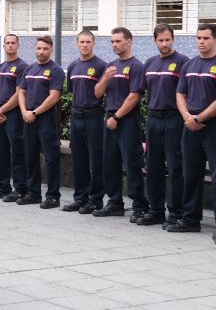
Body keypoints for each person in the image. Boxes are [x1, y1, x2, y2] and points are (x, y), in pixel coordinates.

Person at [174, 24, 216, 234]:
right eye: (198, 38)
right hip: (190, 125)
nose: (201, 42)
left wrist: (200, 118)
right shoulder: (189, 65)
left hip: (214, 126)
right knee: (190, 173)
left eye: (206, 38)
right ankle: (190, 219)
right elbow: (181, 94)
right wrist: (187, 116)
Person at [141, 25, 187, 228]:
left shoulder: (183, 62)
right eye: (161, 40)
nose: (164, 44)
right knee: (153, 167)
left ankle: (176, 212)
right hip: (153, 118)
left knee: (175, 167)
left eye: (168, 40)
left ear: (173, 39)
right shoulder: (149, 63)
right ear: (155, 41)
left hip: (174, 119)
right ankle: (155, 210)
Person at [100, 28, 147, 220]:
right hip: (110, 118)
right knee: (110, 163)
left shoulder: (136, 66)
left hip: (126, 120)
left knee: (132, 163)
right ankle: (115, 202)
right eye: (112, 42)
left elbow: (134, 96)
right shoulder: (110, 66)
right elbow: (97, 93)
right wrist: (105, 78)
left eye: (118, 41)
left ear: (129, 42)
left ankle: (139, 205)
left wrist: (117, 118)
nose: (114, 45)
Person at [63, 29, 109, 214]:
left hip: (94, 116)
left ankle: (95, 199)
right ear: (77, 43)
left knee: (95, 160)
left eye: (88, 42)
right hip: (77, 116)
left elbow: (103, 92)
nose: (84, 45)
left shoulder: (101, 66)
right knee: (79, 159)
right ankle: (80, 198)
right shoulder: (73, 66)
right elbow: (72, 90)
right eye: (81, 42)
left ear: (94, 43)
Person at [17, 36, 65, 208]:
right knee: (30, 157)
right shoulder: (29, 69)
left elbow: (54, 97)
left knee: (51, 158)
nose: (41, 51)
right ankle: (33, 193)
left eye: (45, 48)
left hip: (46, 119)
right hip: (28, 118)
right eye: (38, 48)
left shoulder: (56, 70)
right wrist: (24, 111)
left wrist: (35, 112)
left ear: (51, 49)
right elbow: (21, 92)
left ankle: (53, 196)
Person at [0, 33, 25, 201]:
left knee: (16, 152)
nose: (10, 45)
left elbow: (19, 94)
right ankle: (2, 186)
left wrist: (1, 110)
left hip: (13, 115)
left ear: (18, 45)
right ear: (3, 46)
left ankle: (19, 188)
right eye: (7, 43)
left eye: (13, 43)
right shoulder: (0, 67)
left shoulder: (22, 66)